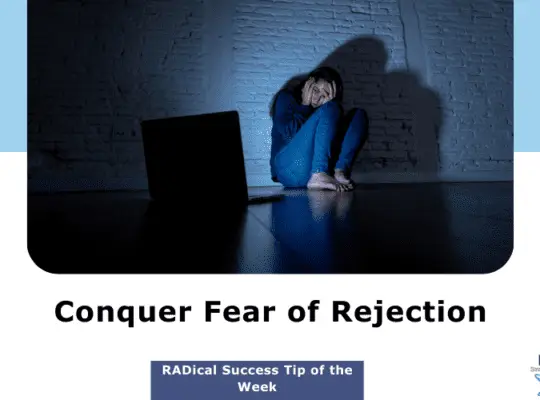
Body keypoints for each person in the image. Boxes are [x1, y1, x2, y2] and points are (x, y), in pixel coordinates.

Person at [270, 67, 368, 191]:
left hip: (313, 169)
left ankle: (340, 171)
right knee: (331, 108)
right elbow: (289, 135)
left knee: (358, 115)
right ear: (308, 83)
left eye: (324, 95)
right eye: (315, 90)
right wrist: (305, 106)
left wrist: (329, 106)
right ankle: (318, 173)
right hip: (288, 169)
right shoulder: (286, 98)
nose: (317, 98)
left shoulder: (325, 114)